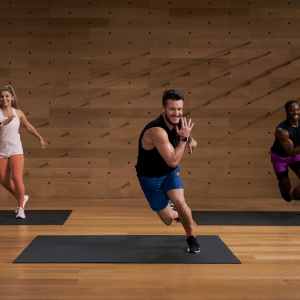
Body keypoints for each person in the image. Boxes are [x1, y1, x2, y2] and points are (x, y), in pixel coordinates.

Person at [135, 89, 200, 253]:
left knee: (180, 202)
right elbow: (172, 161)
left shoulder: (176, 121)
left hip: (169, 173)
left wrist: (190, 139)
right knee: (168, 220)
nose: (176, 113)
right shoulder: (157, 131)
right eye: (172, 109)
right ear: (163, 109)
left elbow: (183, 133)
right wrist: (185, 139)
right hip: (150, 178)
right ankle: (174, 213)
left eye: (179, 109)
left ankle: (191, 236)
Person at [0, 86, 47, 218]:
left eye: (7, 96)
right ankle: (21, 197)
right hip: (1, 151)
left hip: (16, 150)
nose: (4, 98)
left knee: (17, 178)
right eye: (2, 96)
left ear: (12, 98)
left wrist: (40, 138)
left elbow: (29, 127)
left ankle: (20, 208)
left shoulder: (18, 113)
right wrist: (3, 123)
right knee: (3, 180)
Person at [271, 100, 300, 202]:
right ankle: (284, 189)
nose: (295, 112)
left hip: (296, 154)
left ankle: (296, 195)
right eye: (292, 110)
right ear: (287, 112)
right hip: (280, 158)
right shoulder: (282, 131)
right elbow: (291, 152)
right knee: (286, 187)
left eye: (297, 110)